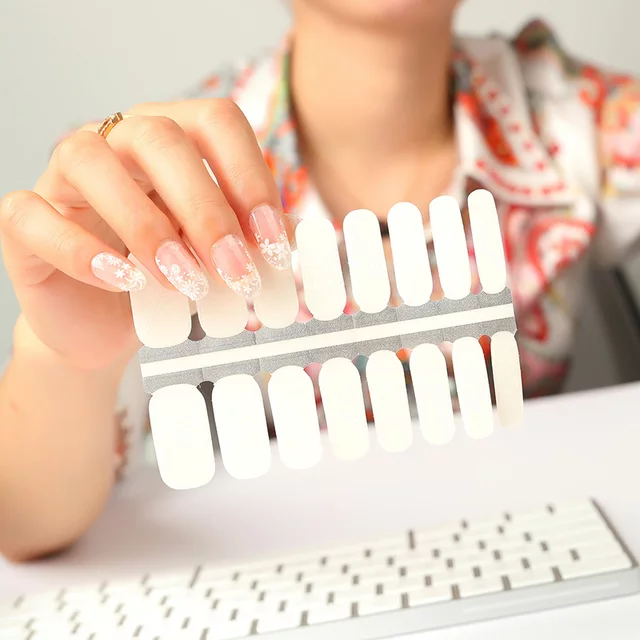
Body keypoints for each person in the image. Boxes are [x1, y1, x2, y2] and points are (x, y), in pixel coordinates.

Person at [1, 0, 640, 562]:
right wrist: (64, 359)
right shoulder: (144, 186)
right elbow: (25, 527)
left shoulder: (587, 122)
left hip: (524, 557)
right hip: (269, 578)